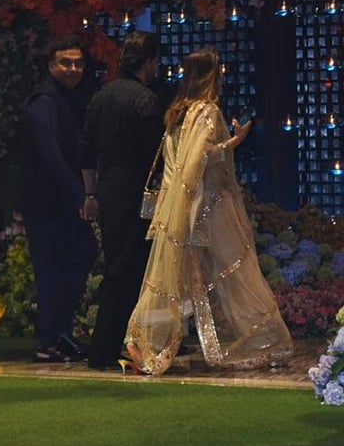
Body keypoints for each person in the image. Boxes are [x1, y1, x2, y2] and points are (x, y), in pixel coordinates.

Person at [125, 47, 294, 375]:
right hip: (206, 206)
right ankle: (263, 341)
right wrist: (234, 142)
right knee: (234, 267)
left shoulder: (177, 113)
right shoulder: (206, 111)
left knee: (175, 276)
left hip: (182, 207)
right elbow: (199, 160)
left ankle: (143, 339)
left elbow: (175, 166)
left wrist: (172, 209)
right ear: (210, 75)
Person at [79, 31, 164, 370]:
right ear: (149, 62)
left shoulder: (101, 97)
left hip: (107, 189)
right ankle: (108, 346)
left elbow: (86, 149)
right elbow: (155, 155)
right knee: (129, 270)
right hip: (135, 191)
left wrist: (90, 193)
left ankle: (111, 344)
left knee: (117, 264)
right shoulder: (145, 100)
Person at [19, 38, 97, 364]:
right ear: (51, 65)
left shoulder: (68, 99)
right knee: (53, 268)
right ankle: (49, 339)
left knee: (74, 260)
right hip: (47, 203)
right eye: (66, 62)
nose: (73, 69)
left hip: (61, 201)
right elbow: (48, 154)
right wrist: (80, 194)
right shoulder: (44, 101)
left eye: (78, 63)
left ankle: (59, 334)